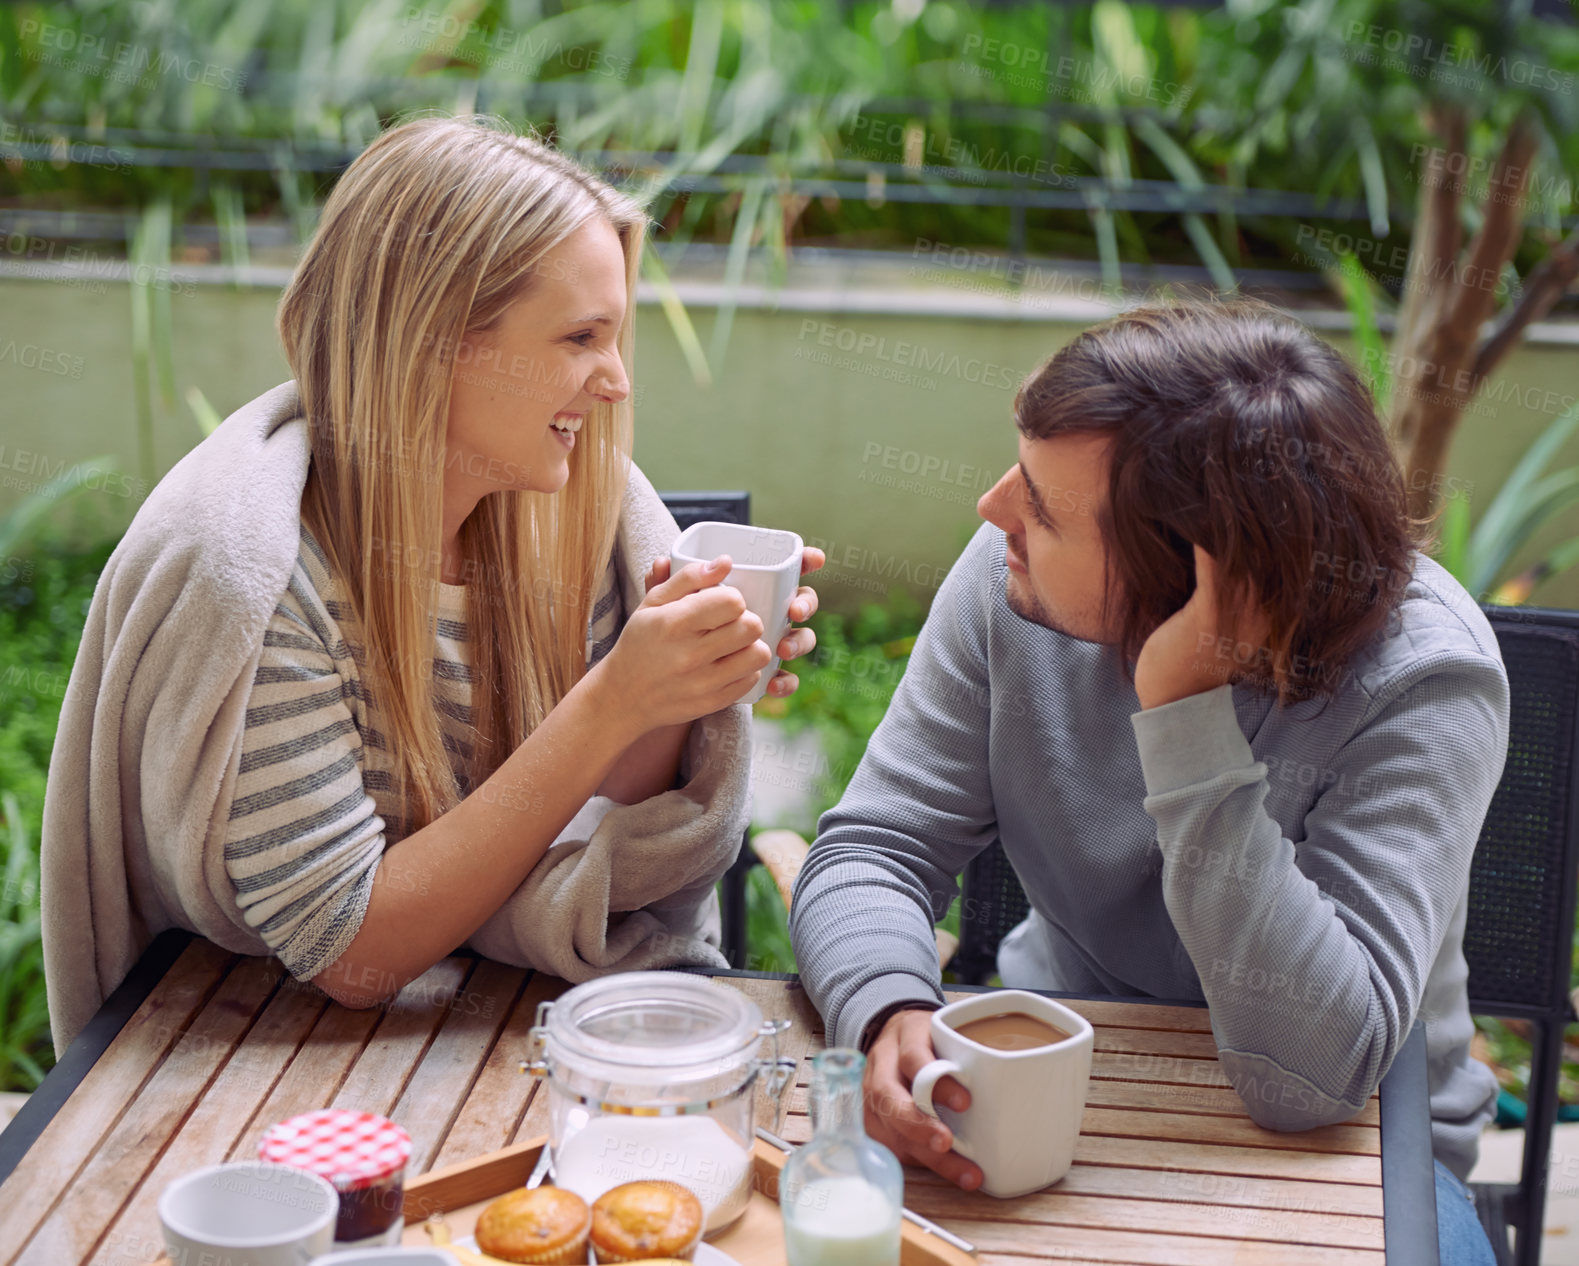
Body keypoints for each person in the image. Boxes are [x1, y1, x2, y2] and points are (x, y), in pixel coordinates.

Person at [41, 114, 822, 1046]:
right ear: (432, 341)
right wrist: (613, 700)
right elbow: (350, 953)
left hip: (506, 1022)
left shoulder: (575, 513)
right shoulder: (255, 576)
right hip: (256, 1046)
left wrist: (680, 689)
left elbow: (586, 817)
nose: (615, 382)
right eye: (579, 337)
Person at [789, 299, 1506, 1264]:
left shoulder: (1425, 678)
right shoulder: (1010, 578)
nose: (993, 508)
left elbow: (1310, 1083)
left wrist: (1184, 719)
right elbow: (879, 844)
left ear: (1188, 575)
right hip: (1061, 1075)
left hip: (1359, 1145)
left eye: (1042, 509)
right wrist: (887, 1006)